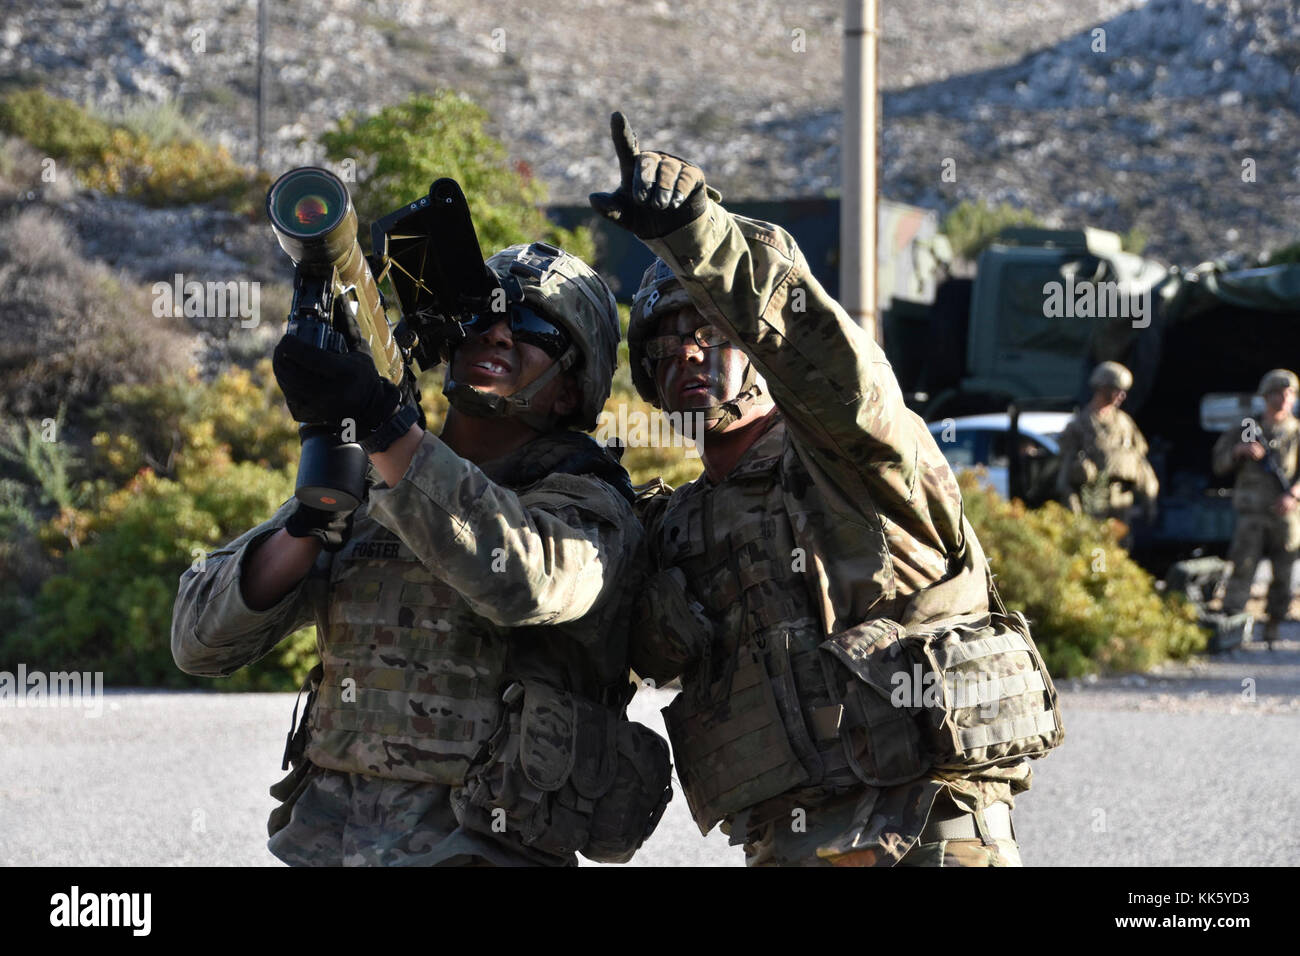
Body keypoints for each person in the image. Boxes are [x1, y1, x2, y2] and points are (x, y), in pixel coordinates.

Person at [589, 113, 1060, 867]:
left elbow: (825, 359)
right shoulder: (679, 526)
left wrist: (697, 236)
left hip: (927, 828)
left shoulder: (855, 453)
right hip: (788, 843)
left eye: (712, 331)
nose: (689, 351)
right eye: (668, 342)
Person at [171, 240, 670, 866]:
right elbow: (197, 641)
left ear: (572, 388)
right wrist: (310, 524)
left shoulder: (587, 503)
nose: (496, 334)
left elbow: (524, 580)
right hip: (331, 846)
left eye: (531, 325)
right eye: (480, 318)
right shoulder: (378, 476)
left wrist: (385, 427)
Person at [1212, 368, 1300, 650]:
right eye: (1279, 393)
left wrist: (1294, 496)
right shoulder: (1247, 427)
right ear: (1266, 396)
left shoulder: (1296, 432)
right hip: (1251, 513)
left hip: (1285, 512)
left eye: (1290, 394)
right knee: (1243, 569)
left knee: (1284, 576)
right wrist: (1239, 451)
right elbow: (1219, 463)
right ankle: (1233, 628)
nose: (1285, 398)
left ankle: (1273, 626)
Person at [1056, 361, 1159, 524]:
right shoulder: (1079, 426)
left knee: (1121, 546)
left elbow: (1141, 463)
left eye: (1124, 391)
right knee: (1096, 548)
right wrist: (1073, 509)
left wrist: (1149, 500)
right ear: (1102, 388)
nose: (1122, 396)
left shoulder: (1125, 423)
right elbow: (1065, 474)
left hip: (1122, 501)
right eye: (1117, 390)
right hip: (1093, 501)